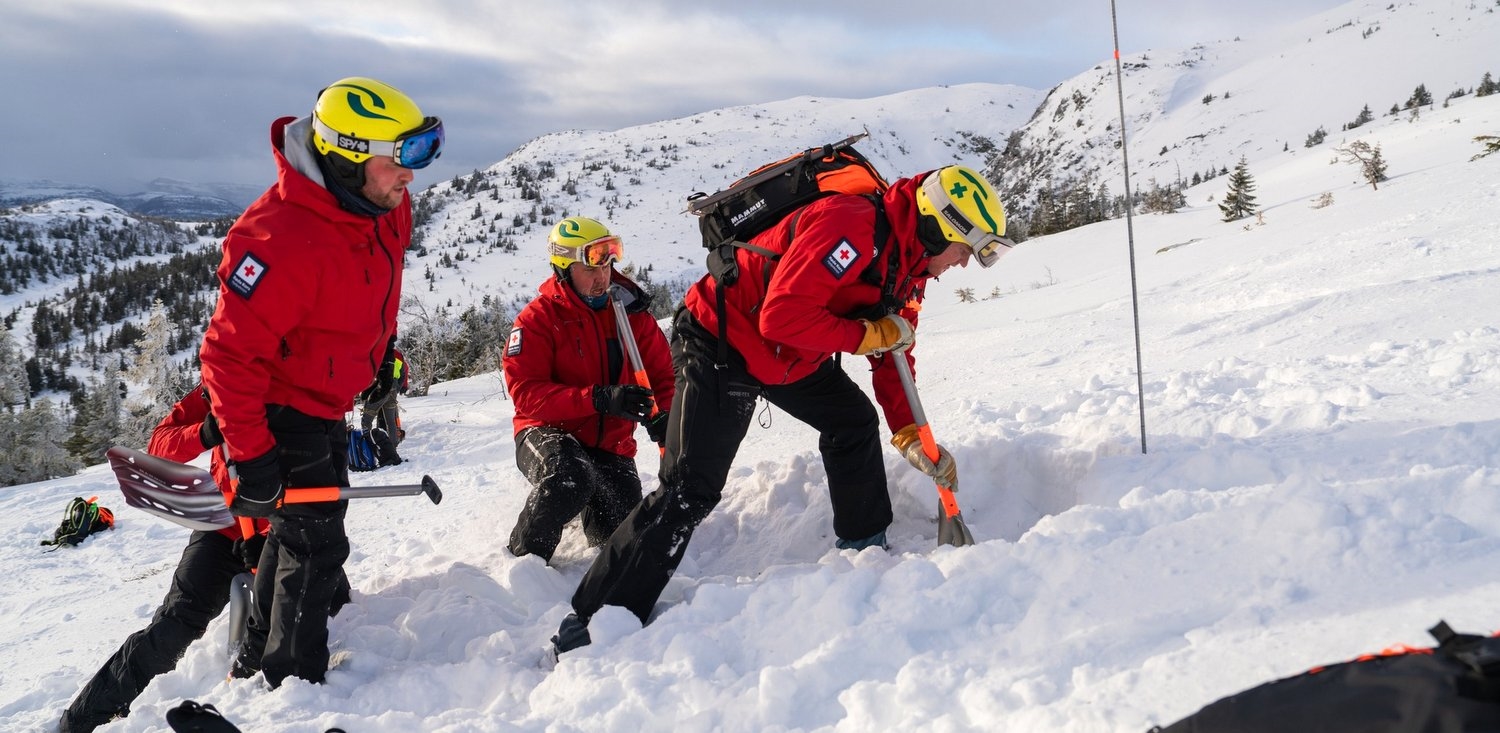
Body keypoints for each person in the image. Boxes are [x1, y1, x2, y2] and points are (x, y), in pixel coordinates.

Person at [551, 165, 1012, 655]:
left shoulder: (909, 266)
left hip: (790, 353)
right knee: (690, 487)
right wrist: (865, 336)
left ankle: (864, 548)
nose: (963, 264)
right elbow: (783, 316)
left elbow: (894, 349)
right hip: (723, 339)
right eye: (964, 250)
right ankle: (595, 619)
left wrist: (909, 434)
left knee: (852, 421)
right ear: (937, 229)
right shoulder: (850, 226)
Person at [198, 76, 441, 688]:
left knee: (297, 532)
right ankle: (291, 686)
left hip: (327, 397)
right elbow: (227, 357)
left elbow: (375, 289)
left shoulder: (384, 204)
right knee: (316, 543)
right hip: (280, 406)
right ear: (348, 157)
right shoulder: (278, 238)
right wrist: (253, 457)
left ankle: (256, 655)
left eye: (420, 153)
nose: (411, 175)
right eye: (399, 158)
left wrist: (380, 356)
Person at [58, 384, 340, 732]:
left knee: (320, 608)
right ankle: (81, 720)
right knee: (175, 622)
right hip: (223, 527)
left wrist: (272, 534)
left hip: (291, 532)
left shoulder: (307, 380)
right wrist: (206, 430)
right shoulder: (223, 383)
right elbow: (160, 444)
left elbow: (325, 479)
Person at [502, 217, 674, 563]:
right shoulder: (537, 320)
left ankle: (583, 506)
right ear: (564, 269)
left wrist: (665, 417)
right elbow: (526, 394)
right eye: (590, 269)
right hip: (546, 432)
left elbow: (663, 377)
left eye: (607, 266)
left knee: (622, 536)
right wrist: (598, 399)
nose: (602, 278)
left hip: (609, 444)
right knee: (569, 476)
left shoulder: (631, 315)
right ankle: (522, 561)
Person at [358, 335, 405, 466]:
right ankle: (392, 450)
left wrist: (365, 392)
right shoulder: (398, 355)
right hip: (393, 389)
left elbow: (371, 375)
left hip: (380, 388)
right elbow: (403, 374)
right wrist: (396, 388)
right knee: (391, 421)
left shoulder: (376, 352)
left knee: (366, 420)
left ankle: (368, 449)